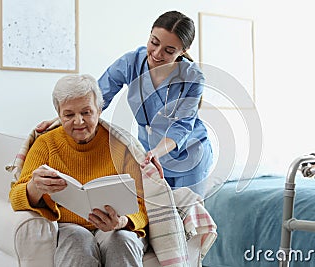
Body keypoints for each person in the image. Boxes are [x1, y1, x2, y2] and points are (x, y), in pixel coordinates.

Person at [37, 11, 213, 197]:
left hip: (189, 154)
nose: (157, 53)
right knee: (155, 216)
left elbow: (182, 126)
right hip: (149, 152)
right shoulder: (132, 62)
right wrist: (62, 119)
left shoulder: (193, 77)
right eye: (154, 42)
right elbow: (97, 98)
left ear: (183, 51)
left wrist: (157, 152)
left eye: (169, 51)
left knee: (190, 217)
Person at [10, 74, 148, 266]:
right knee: (77, 238)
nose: (79, 122)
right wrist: (35, 186)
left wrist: (122, 222)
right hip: (69, 227)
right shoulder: (46, 143)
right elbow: (16, 196)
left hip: (115, 228)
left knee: (123, 240)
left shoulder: (121, 146)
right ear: (58, 114)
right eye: (69, 115)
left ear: (99, 110)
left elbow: (144, 203)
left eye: (86, 112)